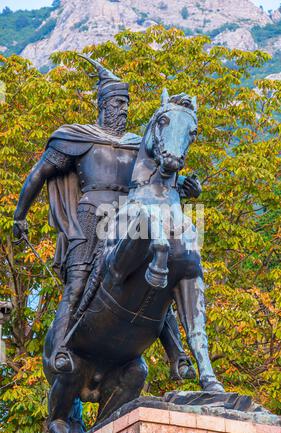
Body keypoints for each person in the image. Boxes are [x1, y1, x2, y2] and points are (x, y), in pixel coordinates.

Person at [13, 55, 201, 379]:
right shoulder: (77, 138)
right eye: (116, 102)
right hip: (91, 217)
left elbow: (158, 177)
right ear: (103, 105)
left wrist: (183, 184)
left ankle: (177, 353)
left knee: (163, 272)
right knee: (77, 282)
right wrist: (20, 215)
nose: (123, 109)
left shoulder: (136, 145)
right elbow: (38, 174)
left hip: (130, 215)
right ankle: (60, 347)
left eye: (126, 104)